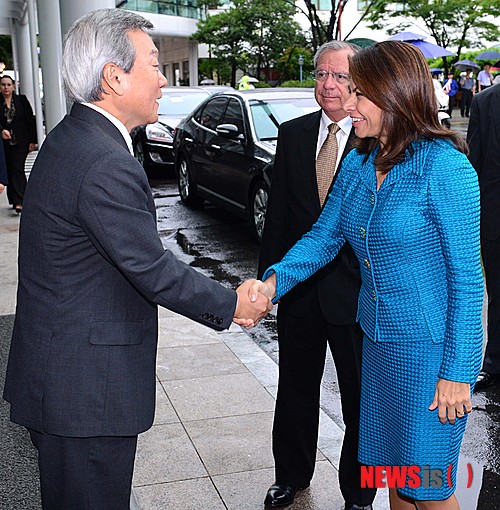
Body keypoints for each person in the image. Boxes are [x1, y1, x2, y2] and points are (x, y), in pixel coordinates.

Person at [2, 9, 271, 510]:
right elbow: (152, 269)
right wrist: (232, 303)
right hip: (84, 391)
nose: (164, 77)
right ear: (114, 76)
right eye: (153, 63)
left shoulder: (75, 138)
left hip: (63, 377)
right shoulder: (103, 160)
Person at [250, 41, 483, 509]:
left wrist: (458, 373)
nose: (347, 103)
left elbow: (468, 282)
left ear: (395, 95)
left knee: (430, 489)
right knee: (394, 480)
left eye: (359, 93)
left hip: (430, 358)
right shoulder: (359, 161)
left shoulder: (446, 168)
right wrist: (269, 285)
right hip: (377, 349)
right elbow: (323, 237)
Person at [258, 40, 376, 510]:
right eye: (322, 74)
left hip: (356, 296)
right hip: (301, 291)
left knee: (360, 401)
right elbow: (279, 221)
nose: (329, 84)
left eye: (341, 76)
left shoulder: (374, 141)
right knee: (294, 391)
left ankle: (359, 493)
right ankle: (290, 476)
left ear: (358, 84)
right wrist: (268, 285)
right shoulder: (292, 134)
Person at [467, 80, 500, 391]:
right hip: (495, 217)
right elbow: (473, 164)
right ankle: (493, 363)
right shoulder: (484, 102)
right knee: (497, 294)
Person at [0, 75, 37, 213]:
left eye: (9, 84)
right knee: (9, 168)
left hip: (21, 140)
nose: (6, 87)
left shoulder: (21, 101)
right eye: (3, 84)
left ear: (13, 86)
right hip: (4, 142)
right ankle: (14, 199)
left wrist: (33, 140)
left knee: (18, 168)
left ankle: (21, 199)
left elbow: (30, 120)